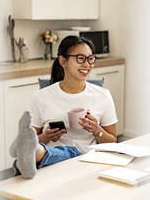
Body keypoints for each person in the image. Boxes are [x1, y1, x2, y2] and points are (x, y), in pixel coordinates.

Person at [10, 36, 118, 179]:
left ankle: (27, 156)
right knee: (50, 151)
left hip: (87, 158)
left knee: (66, 153)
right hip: (52, 162)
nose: (87, 64)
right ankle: (32, 154)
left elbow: (112, 142)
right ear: (63, 61)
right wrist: (45, 136)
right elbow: (32, 138)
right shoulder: (42, 97)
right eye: (80, 58)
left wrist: (96, 130)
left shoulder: (103, 96)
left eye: (90, 58)